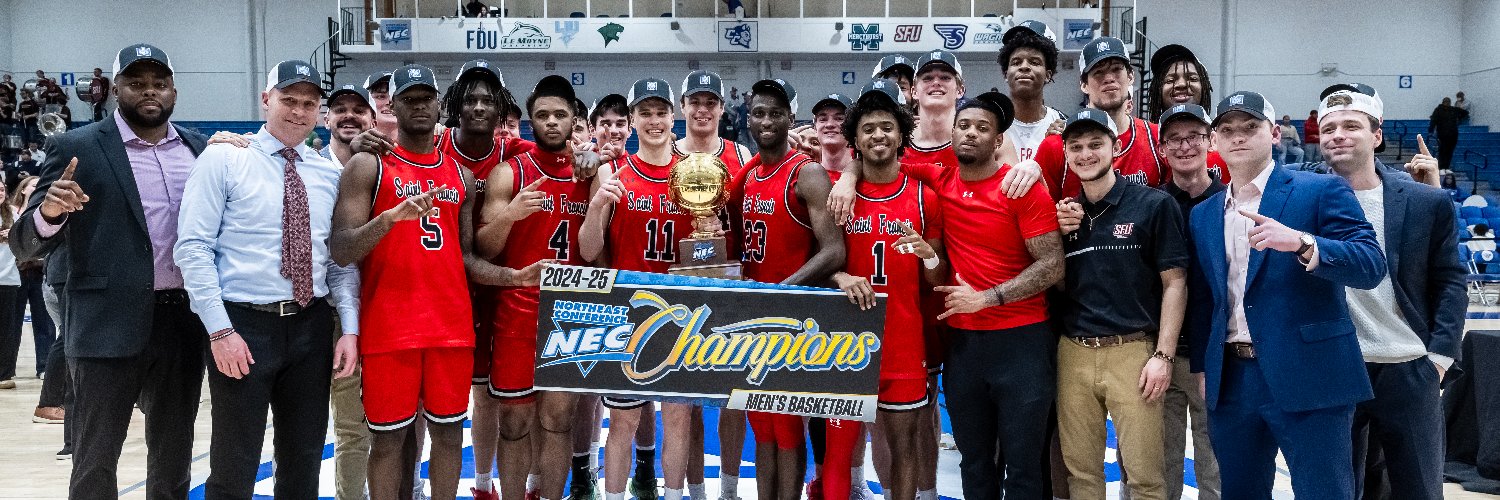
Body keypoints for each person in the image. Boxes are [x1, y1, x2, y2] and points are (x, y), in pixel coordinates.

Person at [10, 43, 210, 500]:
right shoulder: (75, 147)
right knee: (95, 457)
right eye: (137, 83)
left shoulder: (200, 148)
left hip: (181, 322)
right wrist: (52, 214)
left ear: (174, 91)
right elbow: (25, 241)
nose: (149, 92)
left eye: (159, 83)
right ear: (115, 88)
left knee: (174, 453)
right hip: (104, 325)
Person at [335, 64, 540, 500]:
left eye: (426, 97)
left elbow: (465, 258)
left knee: (448, 437)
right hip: (390, 329)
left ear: (438, 104)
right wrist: (389, 220)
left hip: (451, 329)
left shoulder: (459, 176)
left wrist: (514, 276)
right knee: (389, 440)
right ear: (391, 105)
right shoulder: (368, 166)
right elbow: (342, 248)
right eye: (408, 98)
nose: (419, 105)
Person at [172, 60, 360, 499]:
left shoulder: (328, 174)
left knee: (304, 458)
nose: (298, 111)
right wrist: (219, 330)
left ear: (321, 113)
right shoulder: (223, 158)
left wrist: (348, 328)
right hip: (243, 325)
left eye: (309, 103)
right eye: (288, 100)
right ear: (265, 100)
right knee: (234, 462)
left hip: (310, 326)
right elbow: (193, 249)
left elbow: (339, 262)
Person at [1186, 90, 1386, 499]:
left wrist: (1303, 242)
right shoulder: (1204, 213)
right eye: (1227, 130)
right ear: (1214, 142)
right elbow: (1208, 296)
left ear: (1274, 134)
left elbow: (1370, 264)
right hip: (1233, 377)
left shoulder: (1319, 190)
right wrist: (1205, 366)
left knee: (1324, 493)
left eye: (1250, 127)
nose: (1238, 137)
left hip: (1310, 372)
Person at [886, 91, 1064, 499]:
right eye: (963, 126)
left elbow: (1053, 265)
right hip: (964, 347)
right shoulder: (941, 179)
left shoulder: (1020, 188)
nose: (970, 134)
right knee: (974, 462)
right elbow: (880, 161)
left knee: (1023, 465)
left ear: (999, 140)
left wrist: (988, 298)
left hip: (1022, 343)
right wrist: (843, 176)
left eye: (982, 128)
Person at [1307, 85, 1464, 500]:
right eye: (1329, 128)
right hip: (1334, 366)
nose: (1337, 135)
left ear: (1377, 136)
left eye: (1351, 126)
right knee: (1340, 490)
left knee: (1419, 488)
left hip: (1409, 366)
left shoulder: (1424, 201)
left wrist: (1440, 356)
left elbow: (1449, 280)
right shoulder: (1302, 196)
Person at [1052, 108, 1188, 500]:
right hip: (1073, 352)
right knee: (1081, 474)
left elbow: (1176, 283)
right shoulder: (1064, 215)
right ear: (1066, 154)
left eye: (1096, 144)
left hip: (1133, 350)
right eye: (1075, 147)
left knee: (1145, 477)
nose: (1086, 154)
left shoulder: (1153, 205)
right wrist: (1057, 235)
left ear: (1115, 147)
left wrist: (1163, 354)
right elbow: (1057, 284)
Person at [578, 77, 704, 500]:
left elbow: (706, 255)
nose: (654, 121)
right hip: (628, 314)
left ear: (675, 116)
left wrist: (709, 235)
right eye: (644, 113)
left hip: (681, 313)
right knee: (624, 422)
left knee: (677, 418)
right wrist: (597, 205)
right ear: (632, 121)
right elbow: (588, 248)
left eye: (661, 112)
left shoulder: (695, 176)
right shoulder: (613, 173)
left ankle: (671, 495)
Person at [477, 74, 596, 500]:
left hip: (574, 313)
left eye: (560, 115)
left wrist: (595, 161)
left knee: (559, 420)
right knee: (513, 423)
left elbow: (599, 249)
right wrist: (510, 214)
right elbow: (484, 250)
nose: (551, 122)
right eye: (542, 115)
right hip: (518, 312)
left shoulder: (591, 173)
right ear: (529, 120)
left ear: (574, 118)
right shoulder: (509, 174)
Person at [730, 78, 845, 500]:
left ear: (789, 119)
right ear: (747, 118)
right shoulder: (752, 175)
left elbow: (834, 251)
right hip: (752, 314)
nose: (765, 121)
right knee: (761, 426)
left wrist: (781, 291)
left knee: (787, 426)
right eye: (758, 112)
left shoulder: (807, 172)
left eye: (775, 113)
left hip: (792, 317)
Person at [829, 78, 943, 500]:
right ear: (855, 138)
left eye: (887, 127)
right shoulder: (841, 195)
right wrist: (840, 277)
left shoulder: (923, 197)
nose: (878, 135)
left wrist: (926, 254)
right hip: (844, 343)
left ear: (901, 134)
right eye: (869, 128)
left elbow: (936, 276)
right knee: (840, 456)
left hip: (902, 341)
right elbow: (823, 260)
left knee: (904, 447)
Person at [1154, 103, 1223, 500]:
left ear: (1210, 141)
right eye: (1174, 139)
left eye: (1193, 137)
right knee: (1162, 467)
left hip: (1214, 357)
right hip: (1162, 354)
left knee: (1215, 466)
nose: (1184, 147)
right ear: (1162, 149)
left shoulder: (1232, 203)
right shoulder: (1151, 205)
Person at [1035, 36, 1168, 201]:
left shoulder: (1157, 137)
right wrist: (1060, 217)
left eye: (1117, 69)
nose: (1109, 78)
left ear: (1131, 76)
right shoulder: (1055, 146)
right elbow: (1038, 216)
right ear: (1083, 85)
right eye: (1098, 72)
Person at [998, 21, 1064, 164]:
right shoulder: (991, 125)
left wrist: (1052, 148)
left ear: (1048, 75)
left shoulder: (1063, 126)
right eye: (1016, 62)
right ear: (1005, 74)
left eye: (1034, 62)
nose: (1024, 67)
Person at [8, 174, 54, 379]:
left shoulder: (45, 212)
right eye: (33, 185)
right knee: (12, 324)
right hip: (14, 273)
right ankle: (7, 368)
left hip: (38, 272)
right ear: (23, 189)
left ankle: (44, 366)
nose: (37, 187)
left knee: (43, 321)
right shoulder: (10, 212)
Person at [0, 178, 21, 390]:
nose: (0, 191)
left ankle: (5, 373)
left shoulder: (14, 215)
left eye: (2, 188)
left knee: (7, 331)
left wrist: (13, 235)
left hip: (8, 279)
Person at [1429, 97, 1469, 171]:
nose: (1447, 103)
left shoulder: (1440, 110)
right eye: (1447, 102)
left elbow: (1433, 121)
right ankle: (1443, 166)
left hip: (1448, 134)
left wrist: (1430, 130)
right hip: (1447, 134)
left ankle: (1444, 166)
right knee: (1445, 151)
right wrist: (1459, 119)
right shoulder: (1450, 110)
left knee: (1446, 151)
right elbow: (1465, 113)